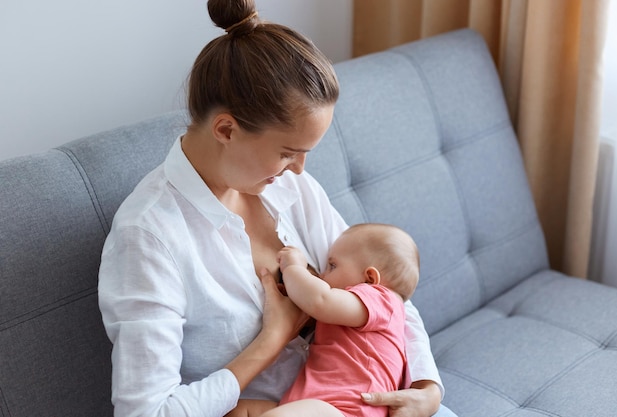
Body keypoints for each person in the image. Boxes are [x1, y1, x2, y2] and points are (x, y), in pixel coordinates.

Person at [97, 0, 445, 416]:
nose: (300, 169)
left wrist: (427, 387)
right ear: (226, 129)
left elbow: (384, 290)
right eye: (287, 152)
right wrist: (272, 339)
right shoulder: (149, 237)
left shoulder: (290, 189)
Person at [229, 223, 421, 417]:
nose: (321, 275)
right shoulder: (363, 311)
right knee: (236, 411)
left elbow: (319, 300)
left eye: (332, 265)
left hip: (347, 410)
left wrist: (294, 268)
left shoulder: (382, 299)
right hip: (310, 404)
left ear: (369, 279)